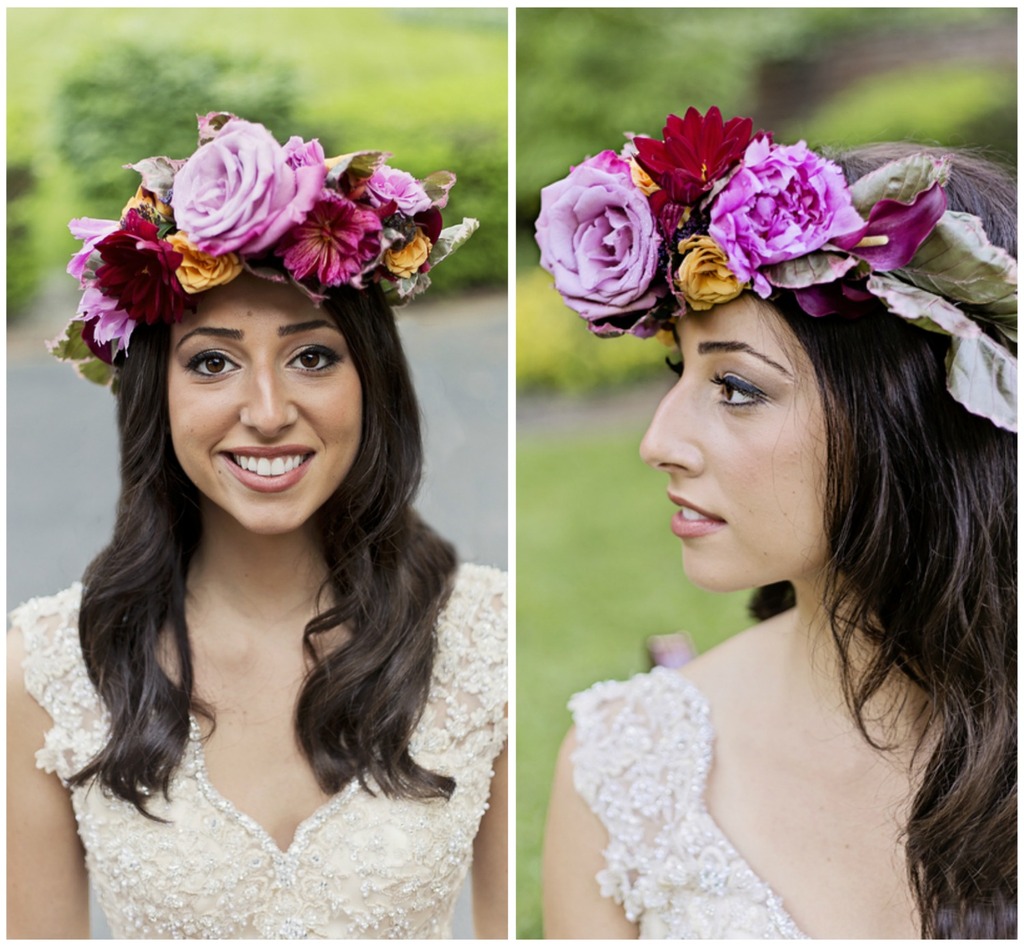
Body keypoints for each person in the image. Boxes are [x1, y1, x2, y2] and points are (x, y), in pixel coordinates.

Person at [8, 112, 507, 939]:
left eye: (313, 356)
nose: (269, 413)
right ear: (155, 397)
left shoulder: (487, 636)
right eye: (212, 361)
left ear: (370, 381)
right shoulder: (46, 672)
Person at [535, 107, 1015, 939]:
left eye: (738, 388)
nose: (658, 442)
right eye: (677, 369)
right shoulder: (623, 764)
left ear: (911, 418)